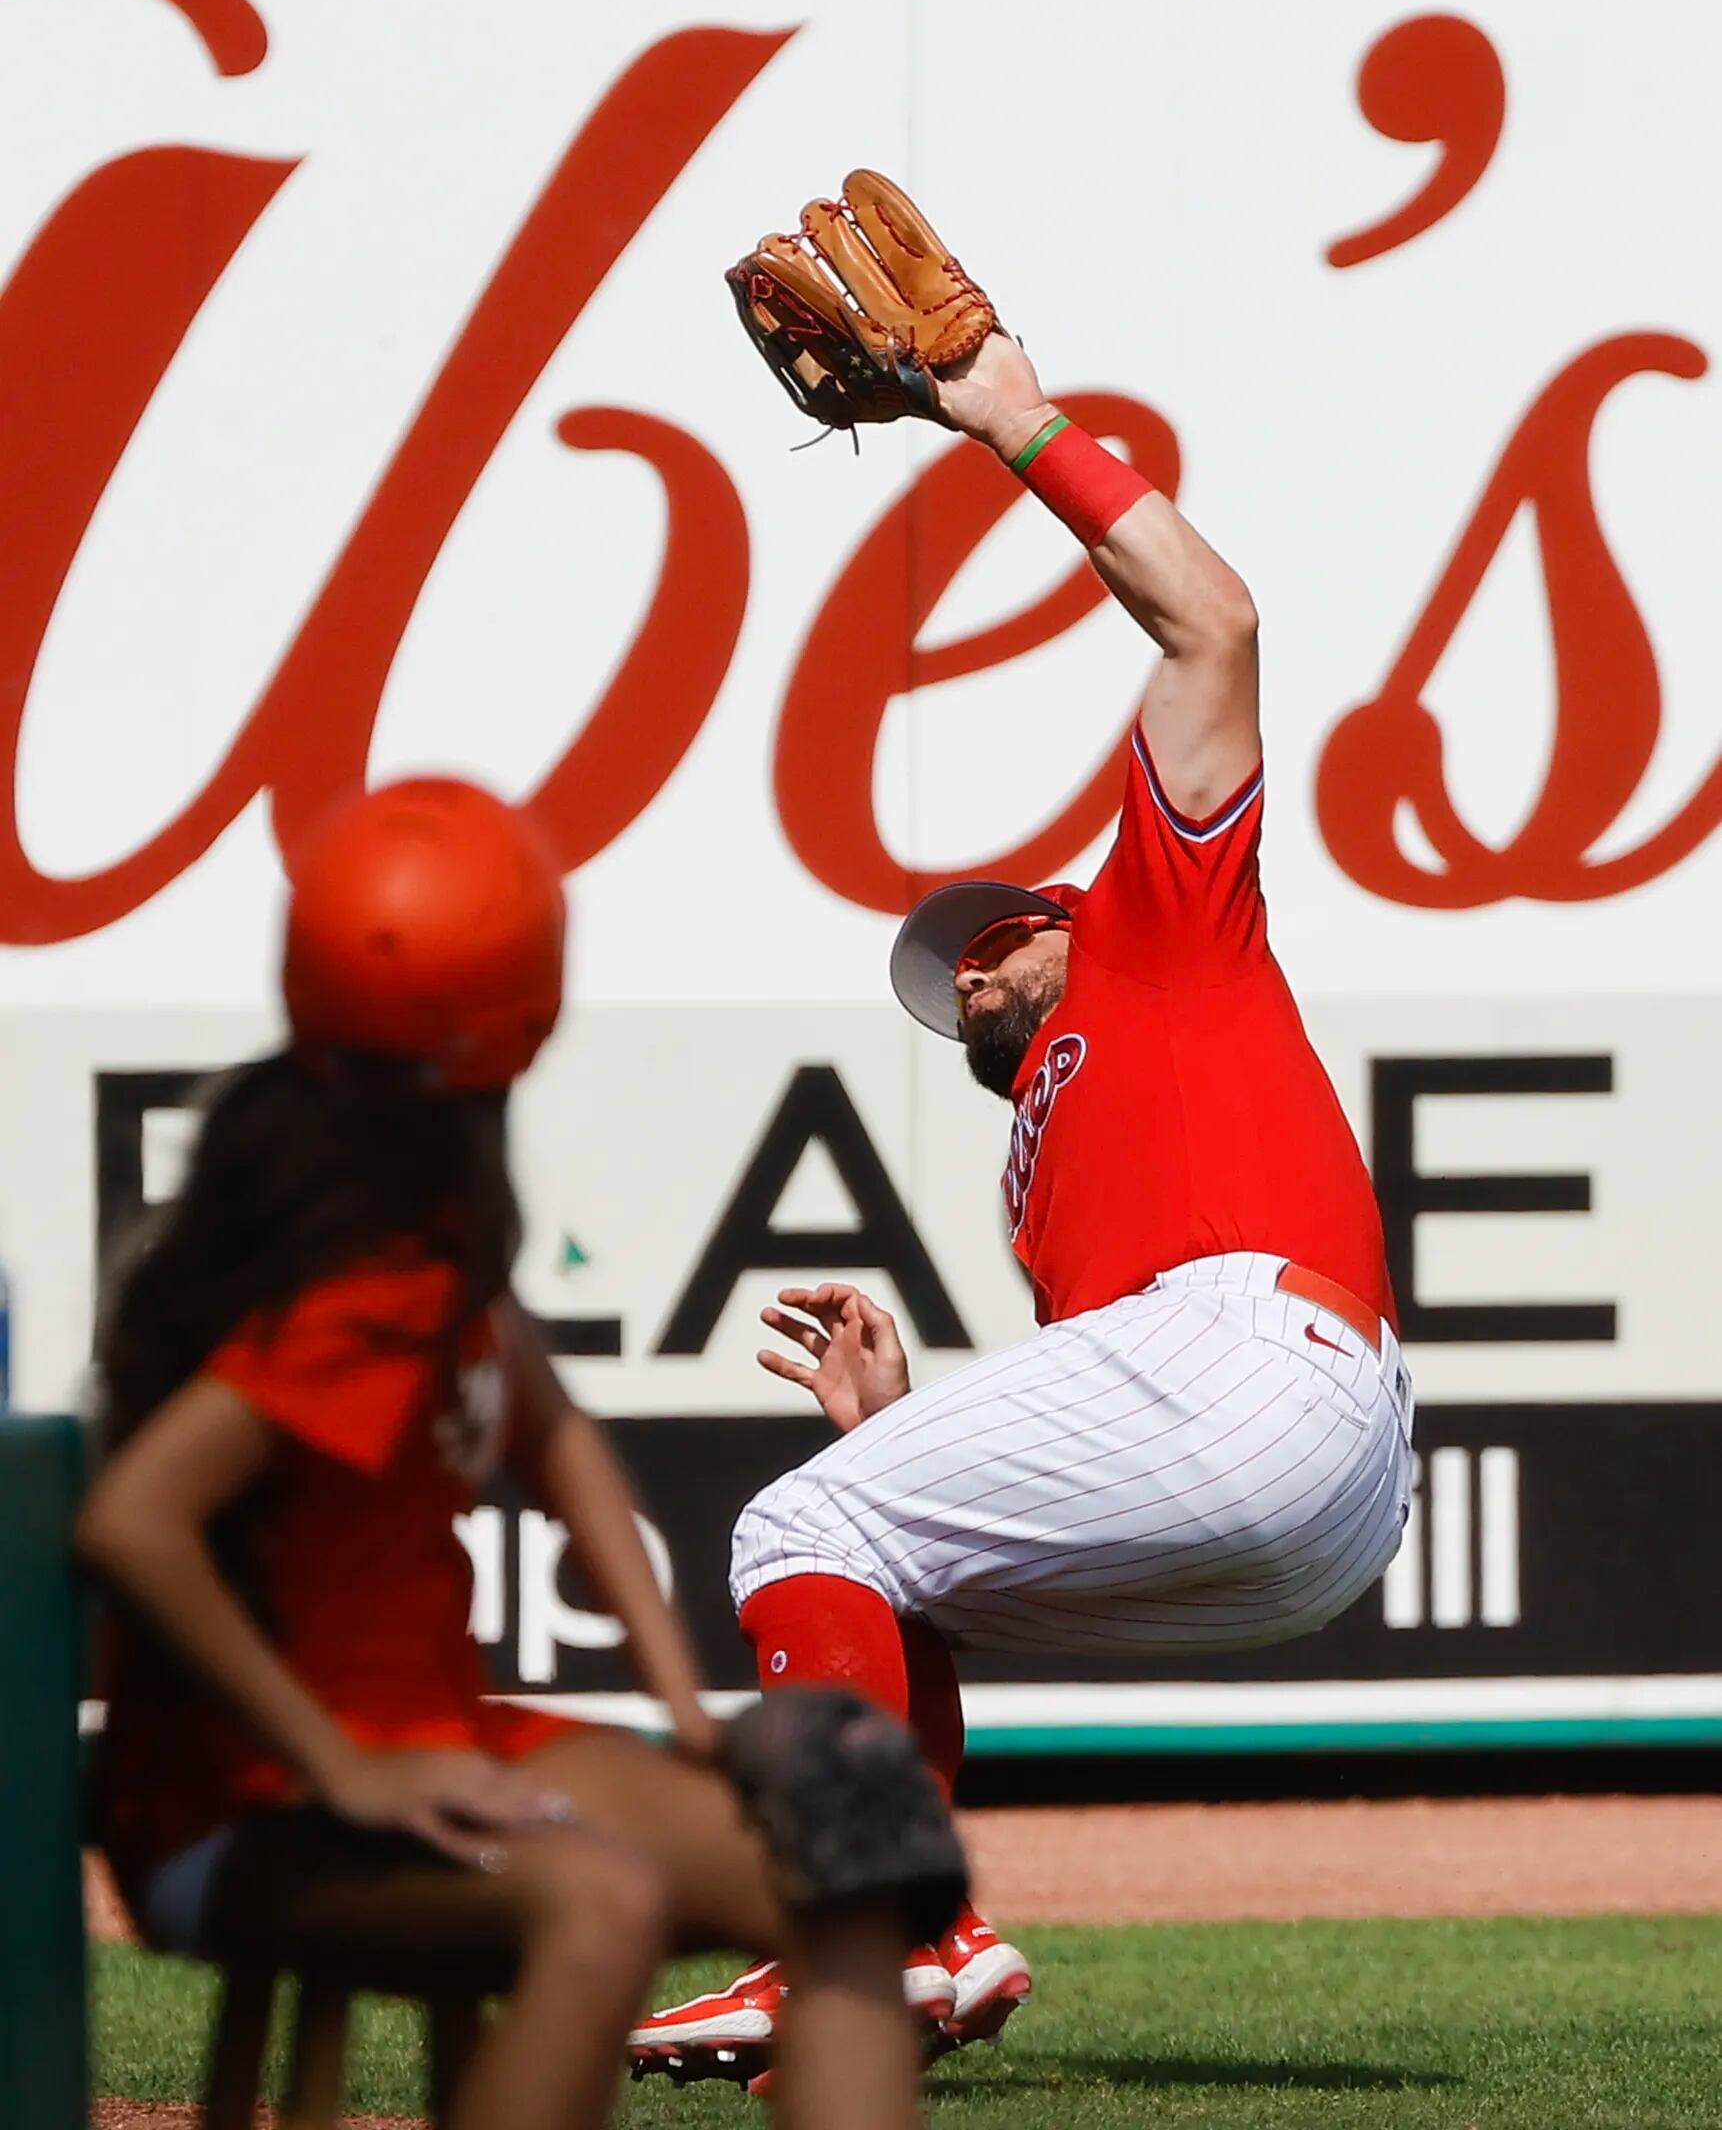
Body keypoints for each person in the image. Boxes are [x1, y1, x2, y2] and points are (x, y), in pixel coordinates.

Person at [634, 282, 1415, 2080]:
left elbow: (1210, 623)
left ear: (1074, 911)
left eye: (995, 936)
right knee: (860, 1550)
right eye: (948, 980)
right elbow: (1050, 1453)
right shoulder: (1028, 1173)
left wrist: (1008, 419)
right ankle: (919, 1940)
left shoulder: (1163, 936)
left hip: (1272, 1364)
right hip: (1302, 1484)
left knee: (782, 1532)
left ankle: (853, 1947)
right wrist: (888, 1434)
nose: (969, 972)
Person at [79, 776, 957, 2130]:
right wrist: (340, 1767)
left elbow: (560, 1446)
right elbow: (131, 1523)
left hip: (437, 1740)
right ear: (530, 1001)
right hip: (232, 1812)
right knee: (598, 1901)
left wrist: (686, 1718)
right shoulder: (356, 1270)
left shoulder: (424, 1215)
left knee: (844, 1859)